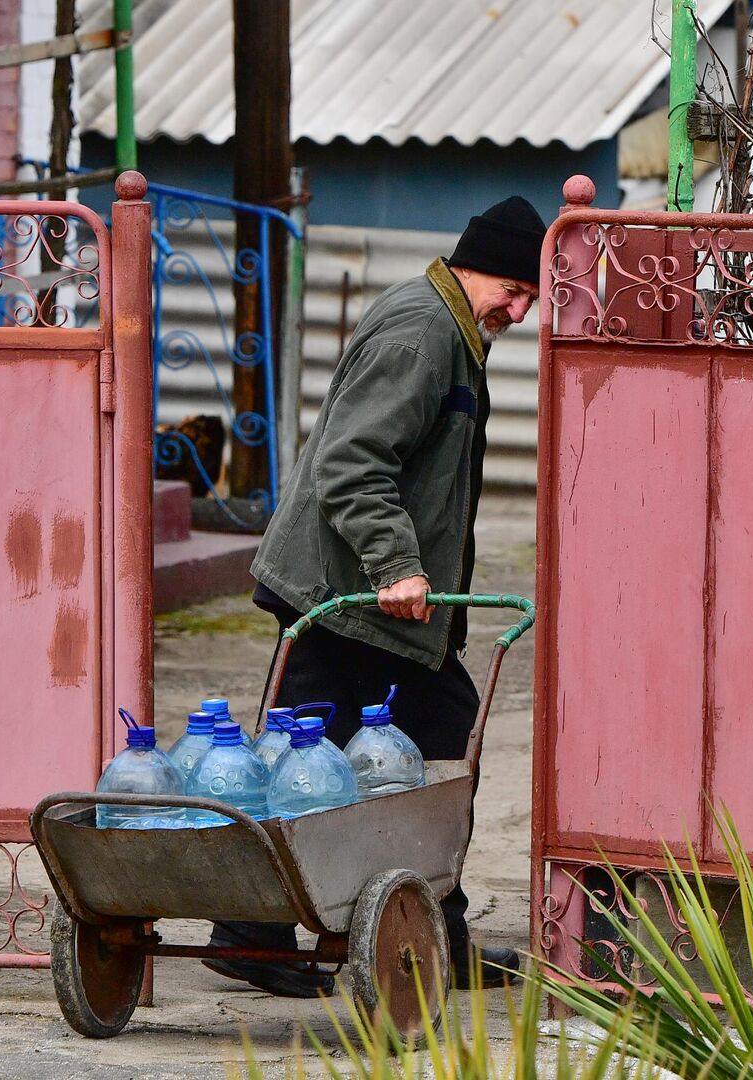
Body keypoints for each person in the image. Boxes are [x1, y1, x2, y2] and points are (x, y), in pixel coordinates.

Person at [204, 195, 548, 998]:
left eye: (532, 297)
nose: (521, 309)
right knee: (392, 755)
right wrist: (398, 564)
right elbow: (355, 462)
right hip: (349, 594)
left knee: (353, 759)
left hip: (360, 595)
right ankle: (262, 934)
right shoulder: (423, 332)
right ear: (472, 264)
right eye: (513, 288)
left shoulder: (449, 328)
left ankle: (386, 933)